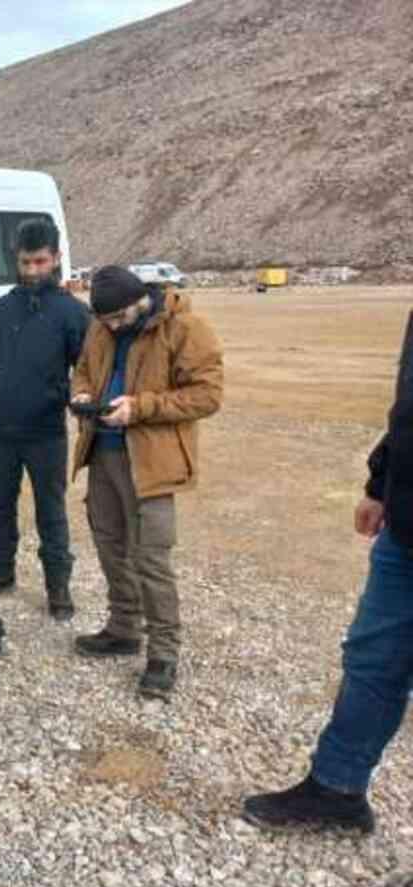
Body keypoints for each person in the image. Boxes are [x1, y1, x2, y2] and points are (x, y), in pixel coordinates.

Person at [243, 312, 413, 833]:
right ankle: (337, 788)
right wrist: (380, 483)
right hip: (405, 526)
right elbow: (408, 406)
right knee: (371, 660)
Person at [69, 264, 223, 698]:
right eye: (105, 321)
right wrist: (83, 393)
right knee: (110, 547)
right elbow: (84, 369)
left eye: (119, 318)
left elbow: (207, 395)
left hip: (152, 464)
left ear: (140, 301)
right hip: (103, 453)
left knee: (151, 559)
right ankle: (123, 629)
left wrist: (140, 408)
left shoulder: (185, 328)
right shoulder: (101, 327)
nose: (113, 327)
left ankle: (163, 654)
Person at [0, 218, 91, 619]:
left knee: (50, 511)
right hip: (2, 431)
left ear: (56, 258)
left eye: (40, 262)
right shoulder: (1, 309)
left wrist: (69, 397)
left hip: (46, 433)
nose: (33, 270)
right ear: (15, 260)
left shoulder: (72, 313)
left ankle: (58, 587)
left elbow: (88, 371)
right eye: (25, 262)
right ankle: (0, 570)